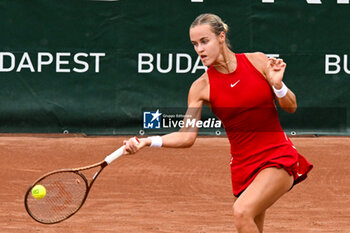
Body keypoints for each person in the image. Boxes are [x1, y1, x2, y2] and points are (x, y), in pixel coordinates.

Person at [123, 13, 313, 233]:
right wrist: (147, 141)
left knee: (241, 212)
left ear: (221, 37)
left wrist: (278, 86)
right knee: (250, 225)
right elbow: (186, 136)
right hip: (244, 167)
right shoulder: (201, 87)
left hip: (277, 156)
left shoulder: (258, 61)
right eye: (195, 44)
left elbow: (291, 106)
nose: (199, 49)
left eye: (205, 41)